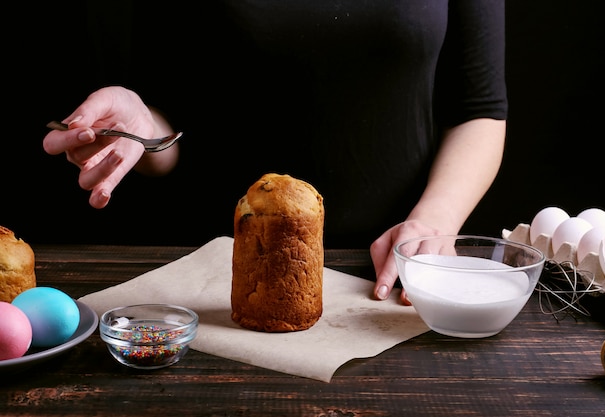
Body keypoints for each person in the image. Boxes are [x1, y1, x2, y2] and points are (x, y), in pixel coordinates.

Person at [42, 1, 507, 305]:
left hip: (388, 276)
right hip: (217, 279)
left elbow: (478, 110)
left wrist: (432, 225)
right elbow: (174, 130)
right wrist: (141, 133)